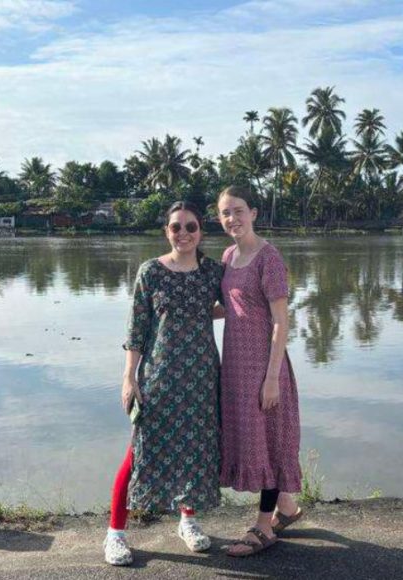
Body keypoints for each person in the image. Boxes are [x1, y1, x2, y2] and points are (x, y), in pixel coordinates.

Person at [103, 201, 224, 566]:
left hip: (202, 378)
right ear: (166, 231)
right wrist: (128, 378)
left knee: (194, 449)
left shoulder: (213, 272)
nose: (184, 233)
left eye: (191, 227)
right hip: (159, 377)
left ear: (201, 231)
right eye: (176, 227)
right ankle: (115, 534)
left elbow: (230, 305)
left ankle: (187, 521)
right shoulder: (151, 272)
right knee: (139, 453)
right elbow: (136, 330)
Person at [216, 185, 304, 557]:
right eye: (224, 213)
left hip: (265, 366)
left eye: (238, 211)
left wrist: (271, 379)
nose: (231, 219)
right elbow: (230, 307)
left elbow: (281, 322)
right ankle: (286, 508)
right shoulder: (229, 255)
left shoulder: (269, 258)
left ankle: (264, 528)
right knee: (254, 439)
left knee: (269, 441)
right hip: (235, 364)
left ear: (253, 212)